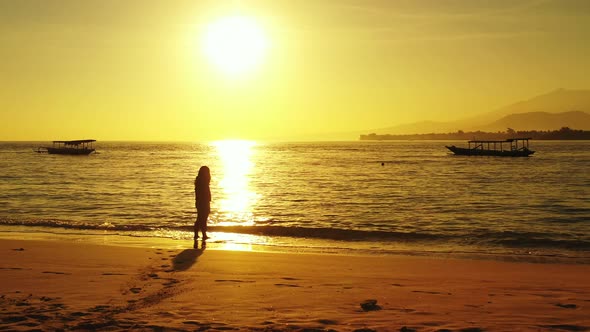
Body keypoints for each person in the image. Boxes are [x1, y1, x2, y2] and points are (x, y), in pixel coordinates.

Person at [194, 166, 211, 240]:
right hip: (203, 202)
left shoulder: (200, 181)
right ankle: (203, 234)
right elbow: (201, 193)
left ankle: (197, 234)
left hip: (201, 202)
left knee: (200, 218)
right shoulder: (202, 182)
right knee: (203, 218)